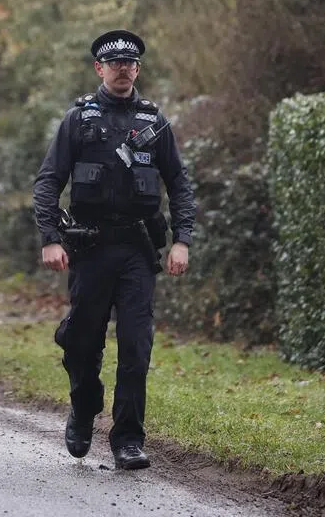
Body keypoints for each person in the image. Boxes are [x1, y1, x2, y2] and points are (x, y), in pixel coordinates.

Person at [32, 29, 196, 471]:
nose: (123, 68)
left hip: (137, 252)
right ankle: (84, 410)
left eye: (130, 63)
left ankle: (127, 438)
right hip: (90, 248)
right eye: (114, 63)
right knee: (83, 343)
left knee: (136, 347)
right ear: (99, 69)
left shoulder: (154, 121)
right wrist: (49, 237)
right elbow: (49, 180)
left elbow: (179, 184)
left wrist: (181, 240)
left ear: (138, 69)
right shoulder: (79, 120)